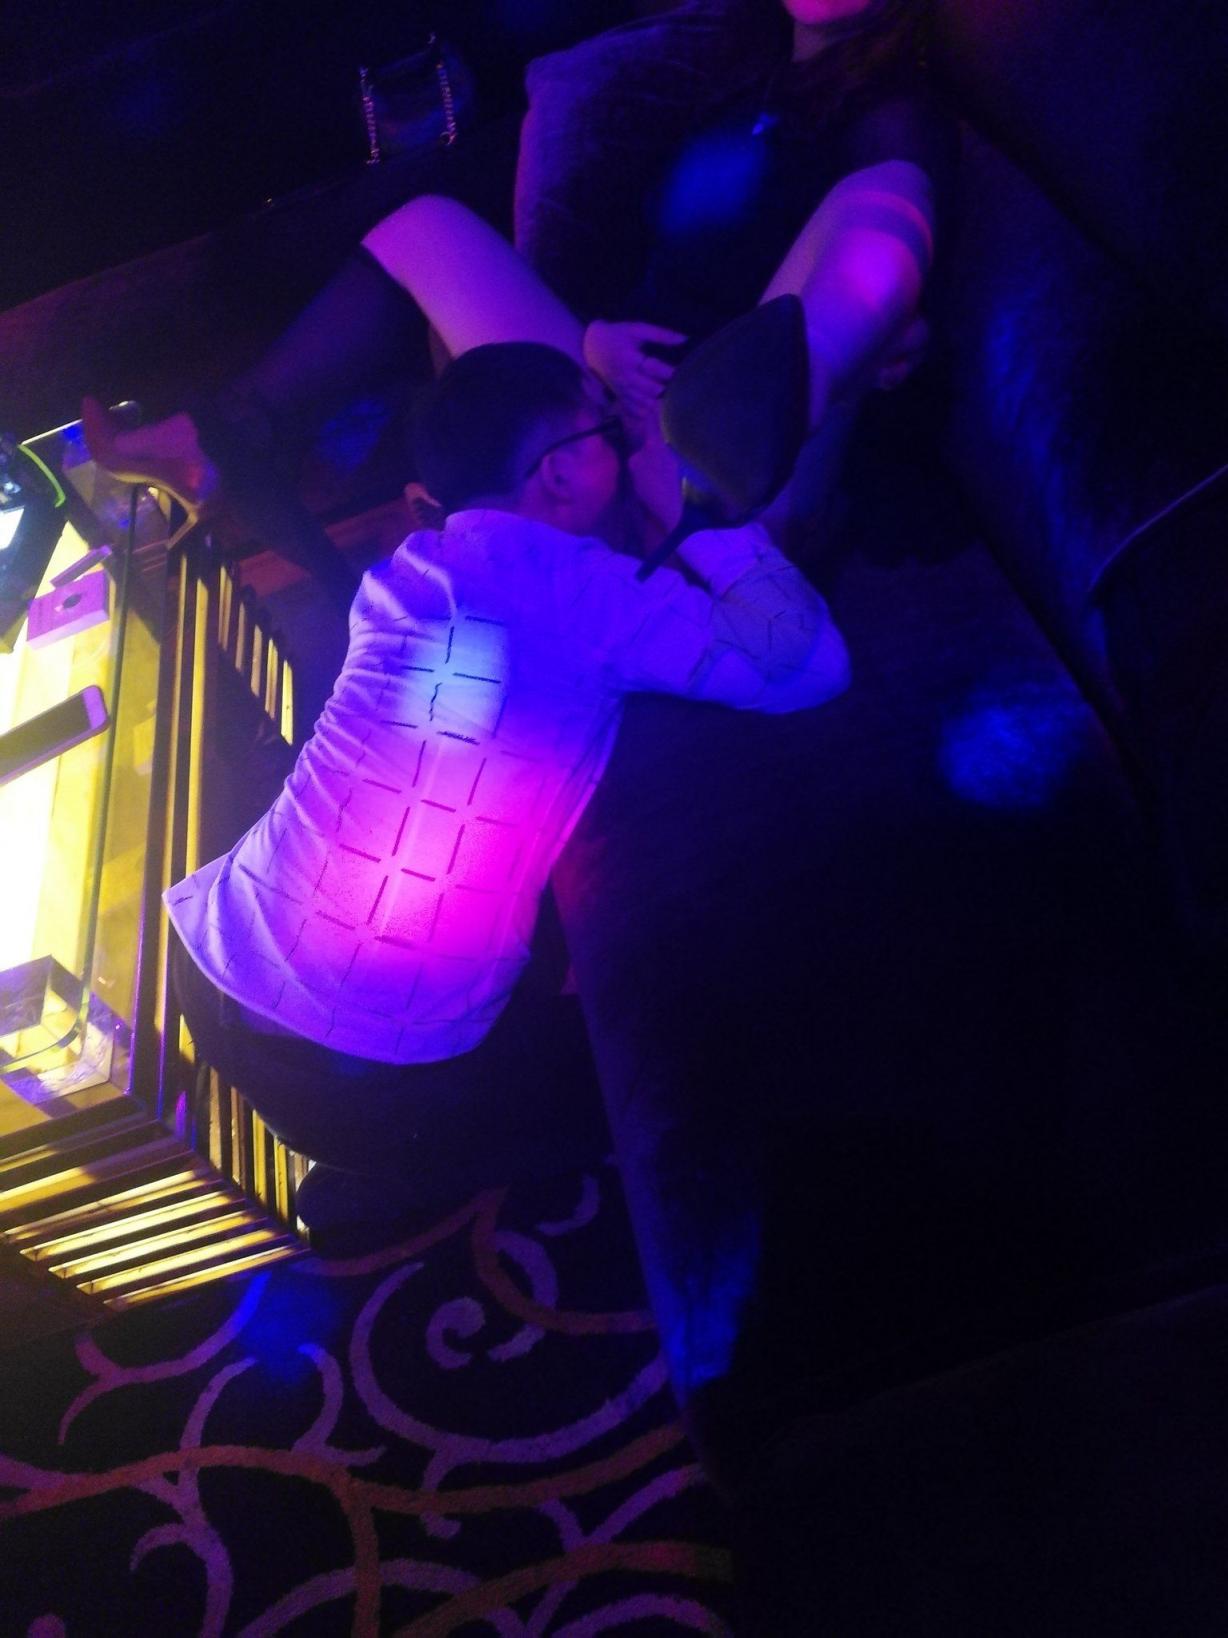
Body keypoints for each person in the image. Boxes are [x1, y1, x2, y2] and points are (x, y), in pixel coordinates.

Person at [166, 339, 851, 1230]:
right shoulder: (582, 590)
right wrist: (706, 504)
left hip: (214, 959)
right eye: (609, 432)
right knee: (686, 1069)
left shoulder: (403, 572)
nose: (625, 447)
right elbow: (808, 664)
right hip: (368, 1083)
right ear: (559, 472)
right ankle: (395, 1178)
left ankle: (374, 1154)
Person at [84, 0, 953, 581]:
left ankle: (696, 519)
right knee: (425, 227)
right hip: (630, 402)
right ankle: (219, 440)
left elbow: (885, 237)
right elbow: (661, 269)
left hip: (734, 466)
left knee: (871, 209)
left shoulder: (892, 107)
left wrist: (875, 325)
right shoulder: (744, 78)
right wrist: (596, 343)